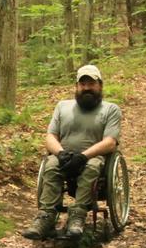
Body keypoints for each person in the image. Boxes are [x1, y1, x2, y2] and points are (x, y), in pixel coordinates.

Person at [22, 64, 122, 239]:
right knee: (50, 166)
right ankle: (46, 217)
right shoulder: (62, 107)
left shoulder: (110, 109)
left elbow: (110, 142)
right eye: (82, 84)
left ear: (100, 85)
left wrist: (84, 156)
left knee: (91, 167)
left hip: (93, 157)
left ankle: (78, 215)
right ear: (76, 86)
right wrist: (60, 153)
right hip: (65, 156)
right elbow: (50, 136)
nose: (87, 88)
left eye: (91, 83)